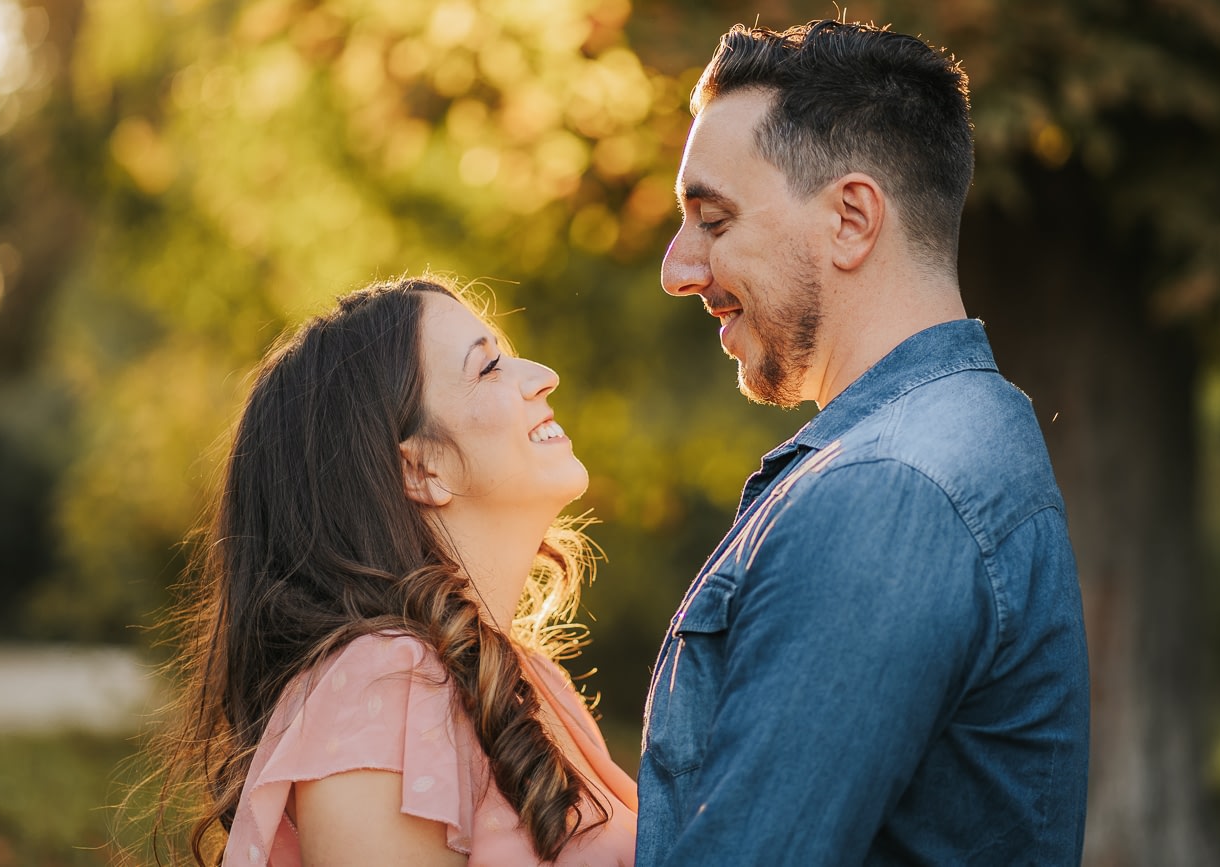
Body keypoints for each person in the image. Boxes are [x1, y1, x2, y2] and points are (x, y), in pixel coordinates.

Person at [637, 19, 1090, 866]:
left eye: (713, 217)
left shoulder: (888, 487)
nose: (678, 268)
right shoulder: (963, 436)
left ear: (851, 218)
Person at [149, 276, 637, 866]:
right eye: (488, 368)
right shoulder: (380, 684)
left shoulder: (529, 682)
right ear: (418, 468)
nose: (542, 375)